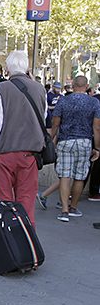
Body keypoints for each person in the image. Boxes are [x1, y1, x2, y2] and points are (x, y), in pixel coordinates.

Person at [0, 51, 48, 224]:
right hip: (30, 154)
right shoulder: (40, 89)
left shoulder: (0, 89)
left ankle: (6, 241)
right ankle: (27, 241)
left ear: (7, 69)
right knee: (26, 201)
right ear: (27, 68)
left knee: (3, 201)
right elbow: (42, 118)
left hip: (4, 153)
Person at [51, 75, 100, 222]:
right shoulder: (94, 102)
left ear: (72, 86)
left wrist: (51, 139)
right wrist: (97, 147)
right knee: (80, 176)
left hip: (65, 140)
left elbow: (55, 124)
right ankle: (73, 207)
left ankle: (64, 210)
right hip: (85, 141)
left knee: (65, 175)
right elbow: (96, 127)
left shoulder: (63, 100)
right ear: (86, 87)